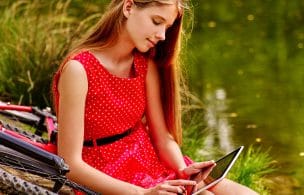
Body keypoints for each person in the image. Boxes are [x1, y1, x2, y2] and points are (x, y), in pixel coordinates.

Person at [52, 0, 258, 194]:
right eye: (156, 22)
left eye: (167, 28)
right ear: (129, 6)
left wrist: (182, 168)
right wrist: (143, 193)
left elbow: (162, 138)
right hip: (107, 173)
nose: (162, 35)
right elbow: (70, 164)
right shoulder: (79, 70)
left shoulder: (144, 64)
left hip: (148, 159)